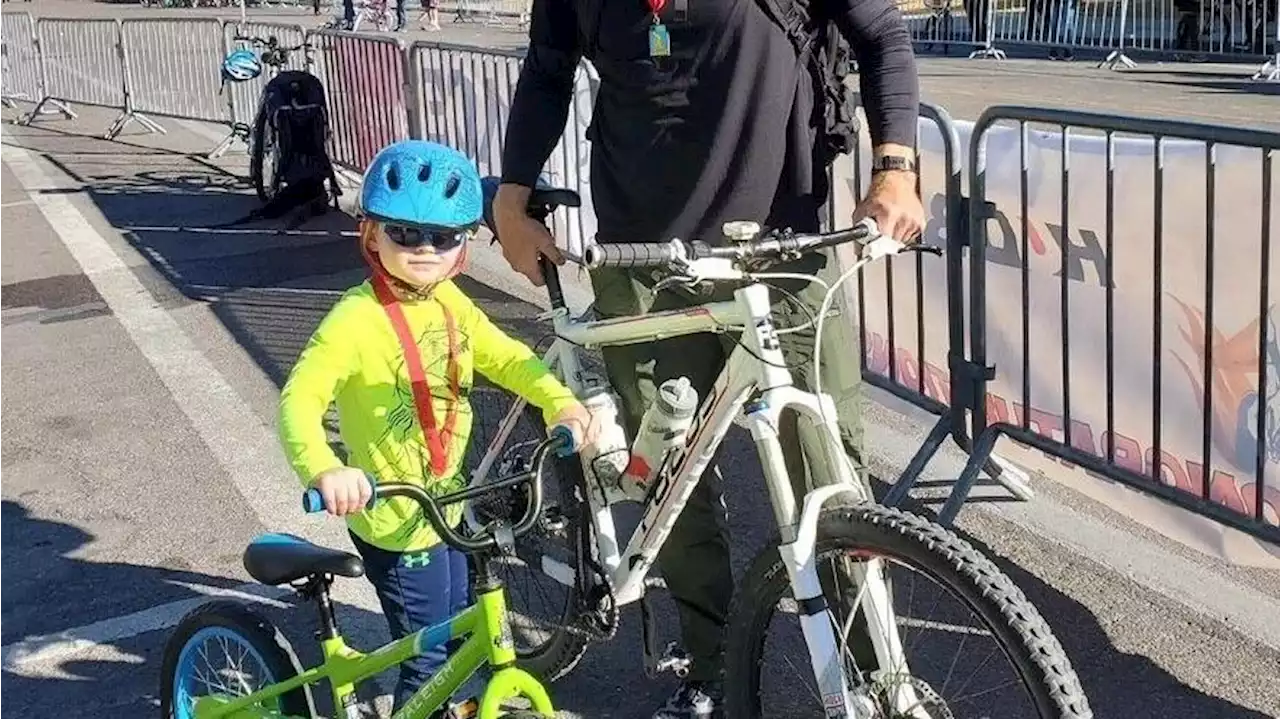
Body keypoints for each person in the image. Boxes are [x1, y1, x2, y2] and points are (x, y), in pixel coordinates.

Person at [491, 0, 926, 714]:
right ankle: (712, 665)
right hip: (639, 258)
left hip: (780, 253)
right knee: (672, 484)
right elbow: (546, 70)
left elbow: (881, 35)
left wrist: (897, 166)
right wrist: (513, 196)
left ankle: (877, 680)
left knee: (829, 477)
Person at [278, 140, 596, 719]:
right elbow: (299, 401)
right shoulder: (355, 320)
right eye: (404, 233)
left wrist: (559, 403)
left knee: (457, 639)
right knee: (429, 659)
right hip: (394, 516)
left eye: (444, 237)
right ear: (371, 235)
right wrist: (325, 468)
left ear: (463, 248)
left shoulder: (451, 304)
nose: (425, 249)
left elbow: (507, 358)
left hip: (447, 506)